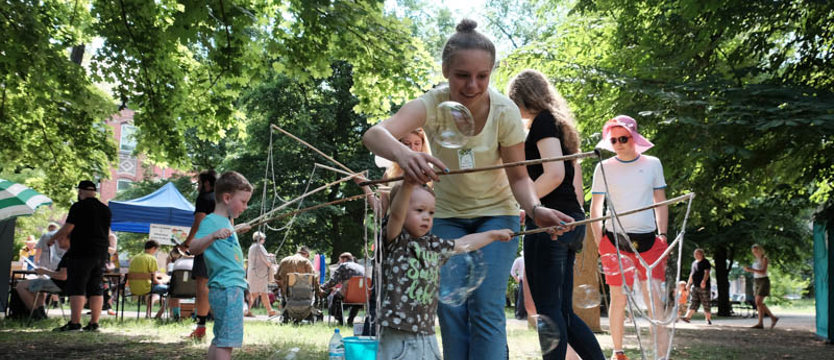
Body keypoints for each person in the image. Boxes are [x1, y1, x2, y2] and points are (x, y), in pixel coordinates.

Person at [362, 19, 574, 359]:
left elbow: (519, 177)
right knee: (449, 308)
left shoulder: (505, 111)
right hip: (445, 215)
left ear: (491, 72)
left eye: (482, 75)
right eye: (462, 75)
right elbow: (374, 134)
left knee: (486, 306)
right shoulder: (431, 104)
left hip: (497, 214)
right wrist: (405, 153)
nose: (472, 85)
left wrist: (535, 209)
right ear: (446, 70)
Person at [508, 69, 605, 360]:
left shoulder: (543, 122)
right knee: (562, 311)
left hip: (552, 222)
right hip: (569, 221)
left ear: (522, 97)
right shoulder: (557, 123)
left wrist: (526, 205)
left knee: (548, 311)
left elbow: (554, 173)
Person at [378, 180, 513, 359]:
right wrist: (408, 183)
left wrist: (492, 235)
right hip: (398, 333)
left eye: (431, 212)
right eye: (419, 210)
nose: (427, 217)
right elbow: (396, 215)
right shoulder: (395, 240)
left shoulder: (433, 244)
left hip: (427, 333)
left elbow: (463, 243)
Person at [589, 115, 669, 360]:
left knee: (653, 297)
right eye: (613, 140)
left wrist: (663, 235)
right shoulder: (603, 167)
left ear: (634, 137)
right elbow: (595, 207)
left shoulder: (653, 164)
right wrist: (598, 240)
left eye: (623, 138)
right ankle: (618, 352)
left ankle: (661, 352)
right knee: (618, 297)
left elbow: (661, 202)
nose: (618, 143)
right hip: (614, 241)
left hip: (648, 241)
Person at [189, 171, 253, 360]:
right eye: (243, 201)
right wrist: (212, 236)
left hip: (229, 286)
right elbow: (193, 247)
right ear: (226, 198)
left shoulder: (226, 222)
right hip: (227, 287)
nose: (246, 206)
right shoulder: (211, 221)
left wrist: (235, 230)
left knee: (220, 340)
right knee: (227, 343)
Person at [50, 180, 112, 332]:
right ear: (94, 191)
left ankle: (75, 323)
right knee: (96, 287)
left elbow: (68, 227)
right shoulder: (105, 209)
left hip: (81, 252)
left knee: (77, 286)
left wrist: (52, 239)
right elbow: (107, 232)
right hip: (101, 253)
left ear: (81, 191)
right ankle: (94, 323)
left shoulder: (78, 206)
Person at [182, 169, 216, 339]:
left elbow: (198, 222)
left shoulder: (204, 198)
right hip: (223, 245)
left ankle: (201, 328)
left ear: (207, 183)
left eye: (199, 183)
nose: (198, 187)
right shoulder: (224, 199)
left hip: (206, 245)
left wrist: (187, 242)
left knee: (203, 286)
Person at [15, 235, 70, 319]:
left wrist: (44, 271)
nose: (57, 242)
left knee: (20, 285)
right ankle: (42, 313)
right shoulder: (74, 254)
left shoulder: (69, 255)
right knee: (40, 286)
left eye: (60, 239)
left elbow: (63, 276)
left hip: (60, 285)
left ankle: (35, 314)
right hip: (68, 285)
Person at [128, 240, 178, 318]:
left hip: (133, 288)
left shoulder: (135, 257)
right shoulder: (152, 259)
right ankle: (162, 314)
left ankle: (149, 313)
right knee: (173, 290)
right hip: (146, 288)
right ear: (154, 248)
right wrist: (162, 281)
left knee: (155, 293)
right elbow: (155, 280)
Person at [321, 252, 365, 326]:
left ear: (344, 259)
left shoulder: (344, 265)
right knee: (356, 301)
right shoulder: (361, 267)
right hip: (361, 296)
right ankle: (350, 320)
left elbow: (333, 281)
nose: (339, 262)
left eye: (340, 260)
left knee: (333, 297)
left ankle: (340, 321)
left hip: (347, 294)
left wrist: (322, 287)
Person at [743, 244, 779, 329]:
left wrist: (751, 270)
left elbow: (763, 271)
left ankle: (773, 318)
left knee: (758, 302)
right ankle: (761, 323)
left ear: (760, 250)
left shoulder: (764, 258)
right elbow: (756, 272)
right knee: (758, 303)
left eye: (756, 251)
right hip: (756, 281)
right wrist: (749, 270)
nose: (755, 253)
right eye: (753, 251)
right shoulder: (755, 260)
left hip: (763, 281)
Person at [246, 231, 277, 318]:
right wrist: (272, 259)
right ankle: (246, 310)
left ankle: (269, 310)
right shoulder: (259, 247)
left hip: (254, 273)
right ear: (262, 239)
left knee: (261, 292)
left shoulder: (252, 247)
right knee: (256, 293)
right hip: (259, 274)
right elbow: (266, 260)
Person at [681, 249, 712, 325]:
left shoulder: (705, 262)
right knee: (693, 302)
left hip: (703, 286)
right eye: (695, 254)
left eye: (697, 254)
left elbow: (707, 272)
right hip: (694, 286)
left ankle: (708, 319)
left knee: (706, 302)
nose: (695, 255)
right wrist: (688, 284)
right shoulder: (694, 263)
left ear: (702, 254)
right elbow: (692, 274)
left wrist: (704, 281)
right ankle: (687, 317)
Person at [510, 252, 526, 320]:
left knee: (522, 298)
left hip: (525, 280)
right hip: (524, 280)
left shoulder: (519, 259)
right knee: (521, 298)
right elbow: (512, 271)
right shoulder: (519, 260)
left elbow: (512, 271)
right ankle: (520, 314)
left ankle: (521, 315)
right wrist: (517, 279)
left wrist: (517, 279)